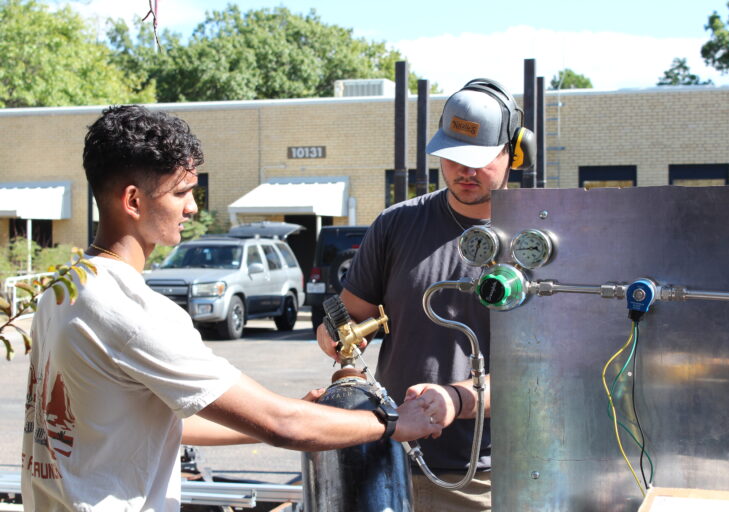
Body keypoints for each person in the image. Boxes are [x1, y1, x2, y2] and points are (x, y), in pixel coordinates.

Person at [20, 104, 442, 511]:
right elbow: (282, 425)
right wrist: (392, 422)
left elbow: (160, 424)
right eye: (182, 192)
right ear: (133, 201)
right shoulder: (134, 311)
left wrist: (289, 417)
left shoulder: (64, 289)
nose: (192, 207)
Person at [317, 78, 534, 511]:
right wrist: (336, 337)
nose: (463, 171)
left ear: (515, 152)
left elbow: (548, 375)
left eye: (478, 159)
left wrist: (457, 399)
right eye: (452, 156)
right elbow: (346, 320)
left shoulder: (539, 240)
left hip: (490, 475)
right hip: (390, 457)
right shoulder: (397, 225)